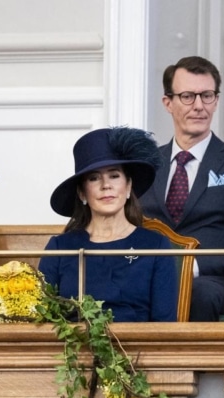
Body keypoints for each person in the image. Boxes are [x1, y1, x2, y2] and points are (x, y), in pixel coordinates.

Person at [138, 56, 224, 322]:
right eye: (187, 96)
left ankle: (191, 366)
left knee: (198, 294)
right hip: (144, 274)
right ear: (168, 102)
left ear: (216, 100)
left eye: (207, 96)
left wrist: (193, 266)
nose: (199, 106)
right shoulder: (144, 166)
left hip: (207, 281)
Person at [41, 127, 178, 323]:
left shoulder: (155, 246)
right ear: (82, 193)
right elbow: (44, 321)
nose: (106, 185)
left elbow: (165, 325)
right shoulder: (59, 248)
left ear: (128, 185)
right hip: (71, 351)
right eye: (94, 178)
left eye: (114, 175)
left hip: (139, 351)